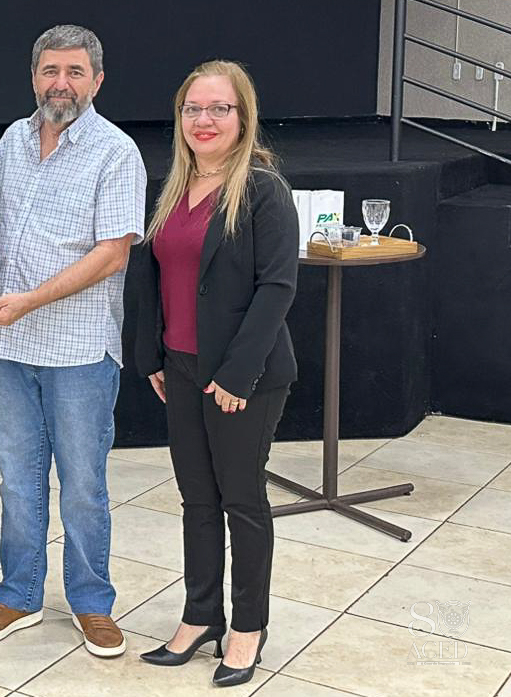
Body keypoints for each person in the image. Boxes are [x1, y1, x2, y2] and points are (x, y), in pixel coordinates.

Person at [0, 24, 147, 657]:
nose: (60, 83)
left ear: (97, 80)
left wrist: (29, 302)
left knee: (84, 487)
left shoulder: (116, 152)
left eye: (74, 72)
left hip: (80, 350)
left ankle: (93, 603)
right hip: (6, 349)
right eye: (50, 70)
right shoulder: (13, 139)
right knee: (17, 482)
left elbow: (113, 254)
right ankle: (18, 595)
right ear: (33, 76)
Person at [131, 60, 298, 687]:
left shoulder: (263, 189)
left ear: (242, 117)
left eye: (219, 108)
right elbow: (154, 279)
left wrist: (236, 376)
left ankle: (247, 627)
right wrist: (153, 356)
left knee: (241, 499)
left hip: (242, 376)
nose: (204, 120)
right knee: (196, 499)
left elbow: (277, 288)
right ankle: (200, 615)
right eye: (193, 108)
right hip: (179, 367)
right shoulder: (173, 188)